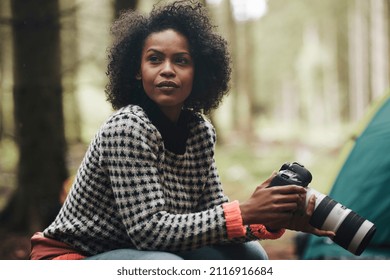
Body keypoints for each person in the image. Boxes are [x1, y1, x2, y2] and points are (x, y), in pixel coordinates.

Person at [30, 0, 333, 260]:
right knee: (166, 264)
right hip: (73, 256)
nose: (167, 69)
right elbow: (149, 233)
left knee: (250, 254)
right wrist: (246, 210)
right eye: (154, 59)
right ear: (137, 71)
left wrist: (266, 218)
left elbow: (214, 221)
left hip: (137, 251)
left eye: (181, 61)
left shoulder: (199, 132)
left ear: (198, 72)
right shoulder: (126, 127)